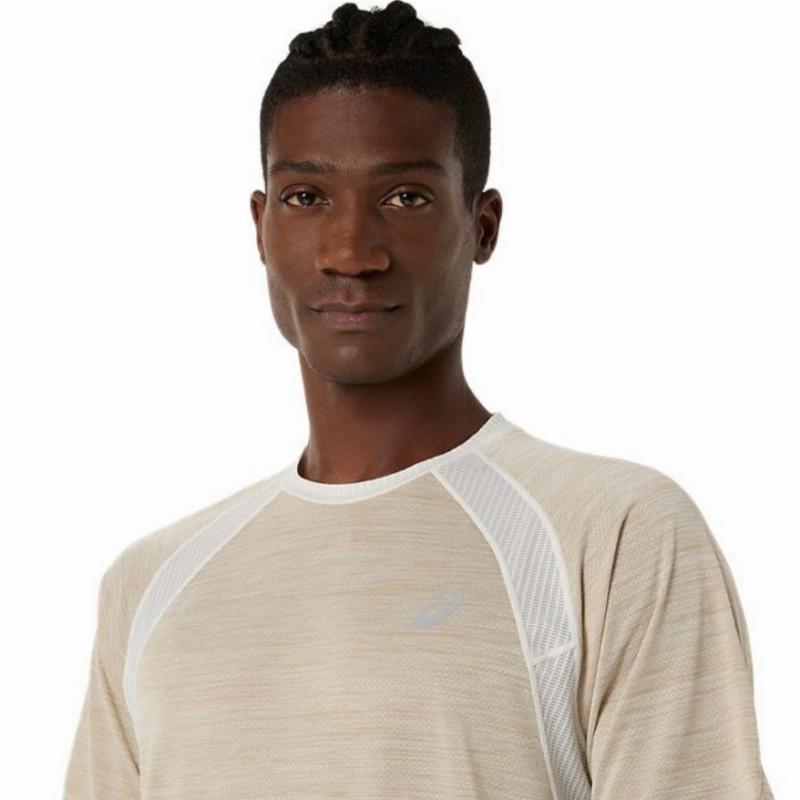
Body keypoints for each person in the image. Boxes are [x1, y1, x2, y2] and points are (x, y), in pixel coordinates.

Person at [62, 2, 773, 798]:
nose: (350, 252)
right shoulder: (149, 585)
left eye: (405, 197)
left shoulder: (613, 535)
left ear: (483, 225)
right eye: (305, 197)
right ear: (260, 226)